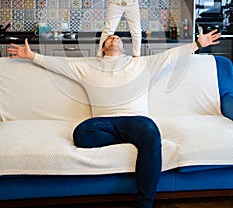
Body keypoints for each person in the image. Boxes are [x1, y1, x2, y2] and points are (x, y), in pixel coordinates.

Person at [7, 28, 220, 208]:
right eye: (109, 38)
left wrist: (197, 44)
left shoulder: (141, 64)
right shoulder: (87, 67)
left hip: (135, 120)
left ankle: (144, 203)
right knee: (80, 134)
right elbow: (59, 64)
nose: (114, 38)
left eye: (118, 38)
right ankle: (131, 139)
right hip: (102, 124)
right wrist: (32, 55)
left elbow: (171, 56)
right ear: (102, 48)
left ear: (124, 47)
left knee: (150, 132)